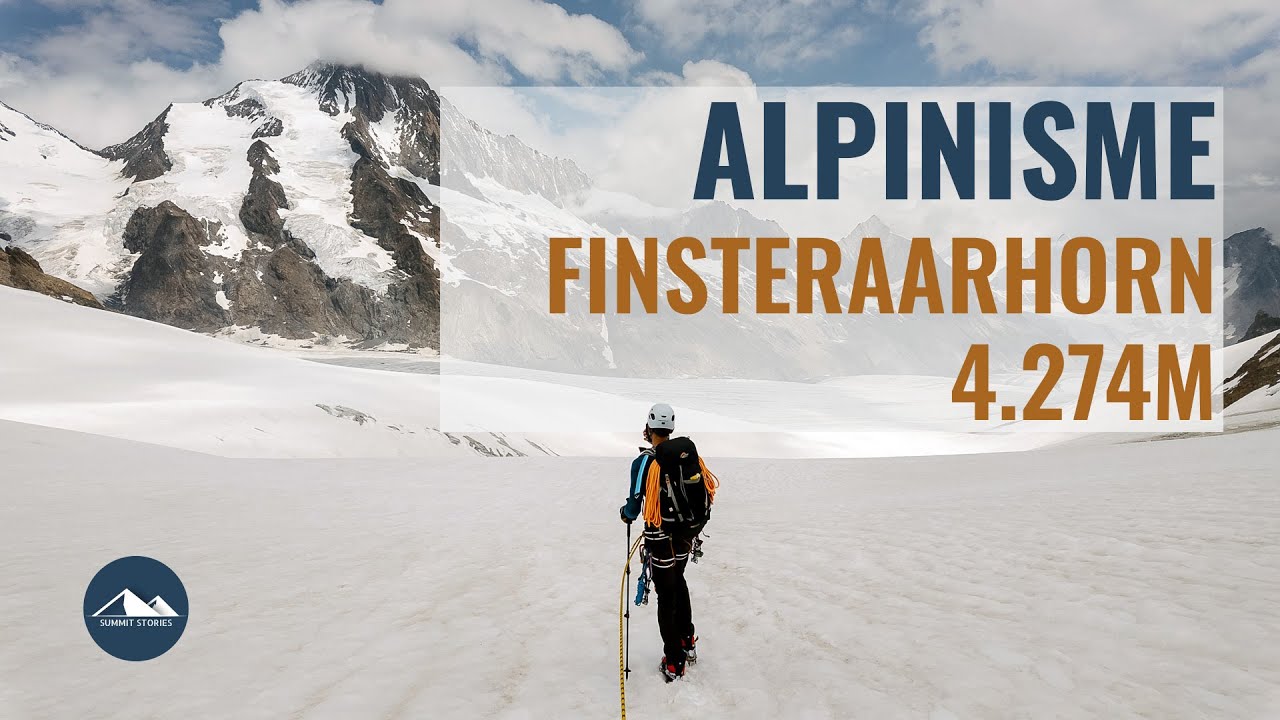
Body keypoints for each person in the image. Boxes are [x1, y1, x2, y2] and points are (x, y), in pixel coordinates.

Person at [620, 402, 718, 682]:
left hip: (660, 536)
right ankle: (687, 641)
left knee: (666, 592)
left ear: (648, 428)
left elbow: (633, 506)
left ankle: (674, 660)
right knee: (679, 581)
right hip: (686, 533)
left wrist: (625, 516)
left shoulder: (645, 462)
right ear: (671, 428)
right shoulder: (688, 457)